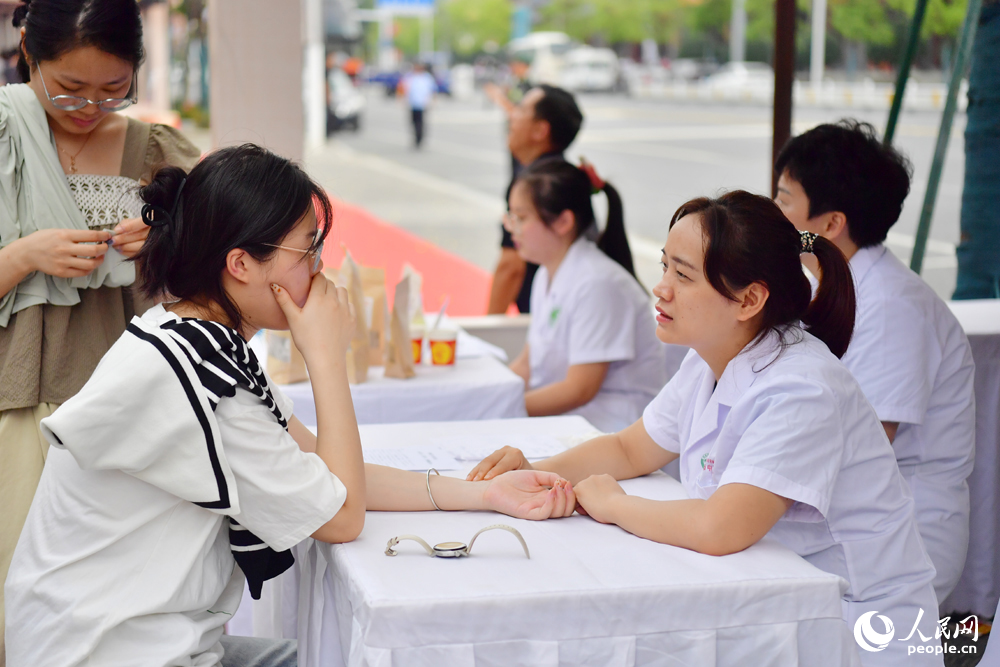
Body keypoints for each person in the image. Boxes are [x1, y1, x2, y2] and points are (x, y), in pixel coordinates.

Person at [4, 144, 576, 667]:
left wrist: (483, 495)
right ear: (241, 265)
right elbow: (342, 517)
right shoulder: (199, 374)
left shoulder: (190, 336)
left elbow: (325, 474)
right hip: (105, 651)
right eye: (308, 248)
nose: (320, 266)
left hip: (124, 636)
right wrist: (325, 356)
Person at [469, 191, 943, 666]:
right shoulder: (710, 357)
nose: (661, 289)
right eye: (665, 267)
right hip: (773, 591)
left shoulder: (802, 388)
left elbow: (722, 527)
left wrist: (613, 504)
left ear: (749, 299)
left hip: (859, 626)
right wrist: (538, 472)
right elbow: (630, 449)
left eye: (683, 275)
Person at [0, 0, 200, 656]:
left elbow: (217, 270)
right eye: (69, 88)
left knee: (118, 608)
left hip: (127, 405)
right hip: (15, 401)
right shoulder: (5, 134)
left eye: (114, 90)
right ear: (27, 54)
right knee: (18, 602)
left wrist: (164, 238)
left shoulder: (155, 151)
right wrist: (24, 256)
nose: (89, 107)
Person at [774, 120, 976, 605]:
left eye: (782, 200)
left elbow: (868, 439)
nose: (771, 213)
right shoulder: (829, 282)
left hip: (897, 537)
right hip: (847, 516)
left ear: (829, 225)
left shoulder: (889, 306)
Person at [505, 158, 665, 432]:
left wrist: (505, 407)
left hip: (612, 427)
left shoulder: (598, 283)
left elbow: (579, 389)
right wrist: (490, 395)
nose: (511, 228)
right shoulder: (546, 273)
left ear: (563, 221)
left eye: (521, 218)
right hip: (573, 422)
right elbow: (526, 364)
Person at [487, 84, 583, 315]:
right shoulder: (560, 176)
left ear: (540, 130)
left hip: (553, 313)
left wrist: (487, 327)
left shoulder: (536, 186)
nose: (511, 117)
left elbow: (511, 267)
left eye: (520, 110)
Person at [401, 62, 435, 149]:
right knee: (413, 122)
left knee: (420, 122)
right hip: (412, 103)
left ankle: (419, 138)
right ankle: (416, 137)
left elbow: (432, 89)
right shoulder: (410, 77)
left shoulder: (427, 77)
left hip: (422, 104)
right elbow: (403, 88)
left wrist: (432, 101)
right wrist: (402, 99)